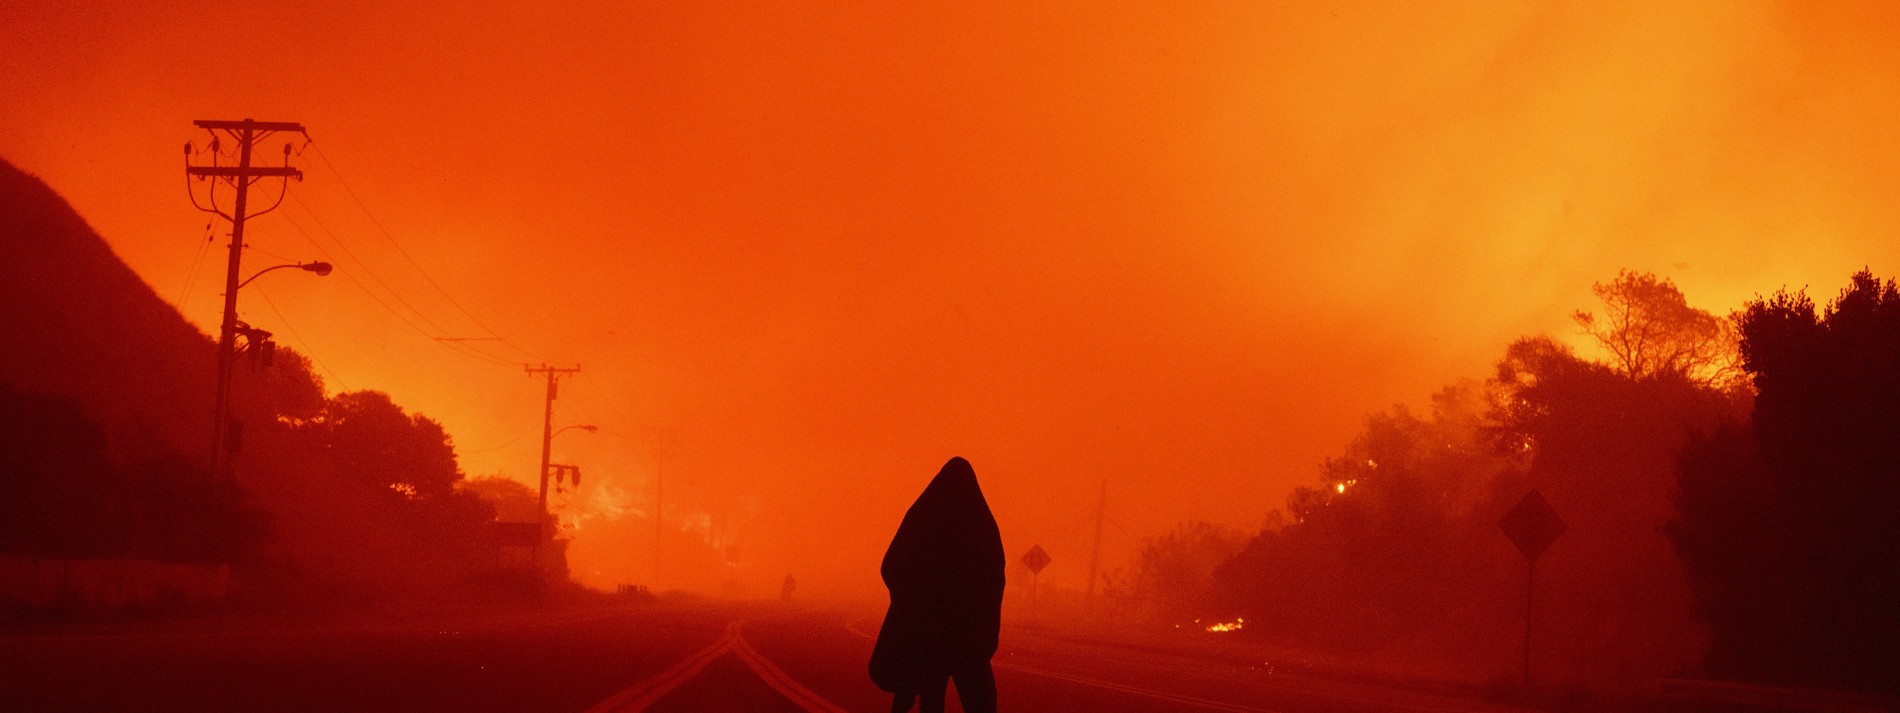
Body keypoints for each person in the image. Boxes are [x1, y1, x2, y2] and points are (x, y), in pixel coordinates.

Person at [868, 457, 1005, 713]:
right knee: (981, 703)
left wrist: (913, 603)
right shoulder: (982, 525)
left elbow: (892, 566)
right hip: (969, 635)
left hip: (930, 635)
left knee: (931, 698)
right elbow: (995, 579)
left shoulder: (923, 518)